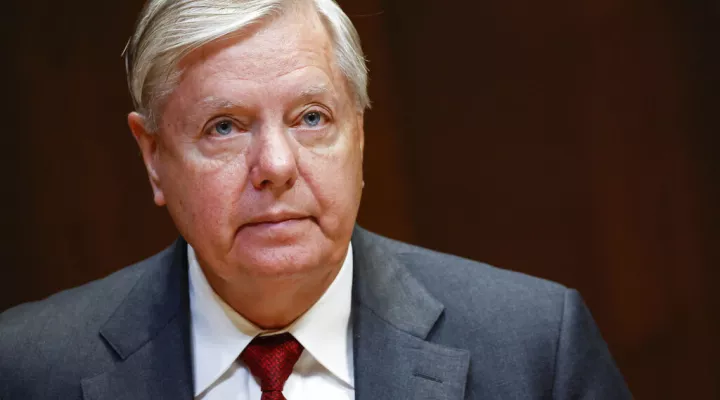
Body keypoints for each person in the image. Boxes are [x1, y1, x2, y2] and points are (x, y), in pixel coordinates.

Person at [0, 0, 631, 398]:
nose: (275, 166)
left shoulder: (534, 349)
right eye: (224, 126)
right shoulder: (27, 367)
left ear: (359, 133)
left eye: (310, 118)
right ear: (153, 157)